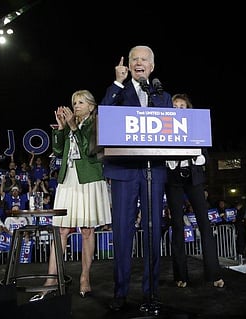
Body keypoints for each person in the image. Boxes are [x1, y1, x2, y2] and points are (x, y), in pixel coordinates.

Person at [100, 45, 173, 311]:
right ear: (128, 65)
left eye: (144, 59)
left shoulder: (163, 96)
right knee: (122, 233)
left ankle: (151, 292)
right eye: (134, 59)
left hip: (154, 171)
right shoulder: (118, 91)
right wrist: (117, 83)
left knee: (153, 231)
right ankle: (120, 293)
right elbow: (103, 114)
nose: (139, 62)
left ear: (152, 67)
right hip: (123, 171)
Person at [30, 90, 111, 302]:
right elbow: (58, 151)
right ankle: (51, 279)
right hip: (68, 180)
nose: (76, 106)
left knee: (86, 230)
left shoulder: (96, 123)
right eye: (74, 102)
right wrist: (62, 129)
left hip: (89, 180)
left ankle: (85, 278)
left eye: (81, 102)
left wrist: (74, 128)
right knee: (61, 229)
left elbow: (90, 150)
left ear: (92, 106)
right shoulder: (70, 124)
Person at [165, 93, 224, 289]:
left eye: (182, 106)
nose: (179, 109)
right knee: (177, 226)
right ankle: (180, 275)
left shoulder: (196, 126)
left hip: (194, 178)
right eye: (175, 106)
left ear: (188, 109)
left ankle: (214, 274)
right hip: (173, 179)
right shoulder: (162, 127)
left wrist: (197, 156)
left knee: (204, 224)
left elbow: (205, 155)